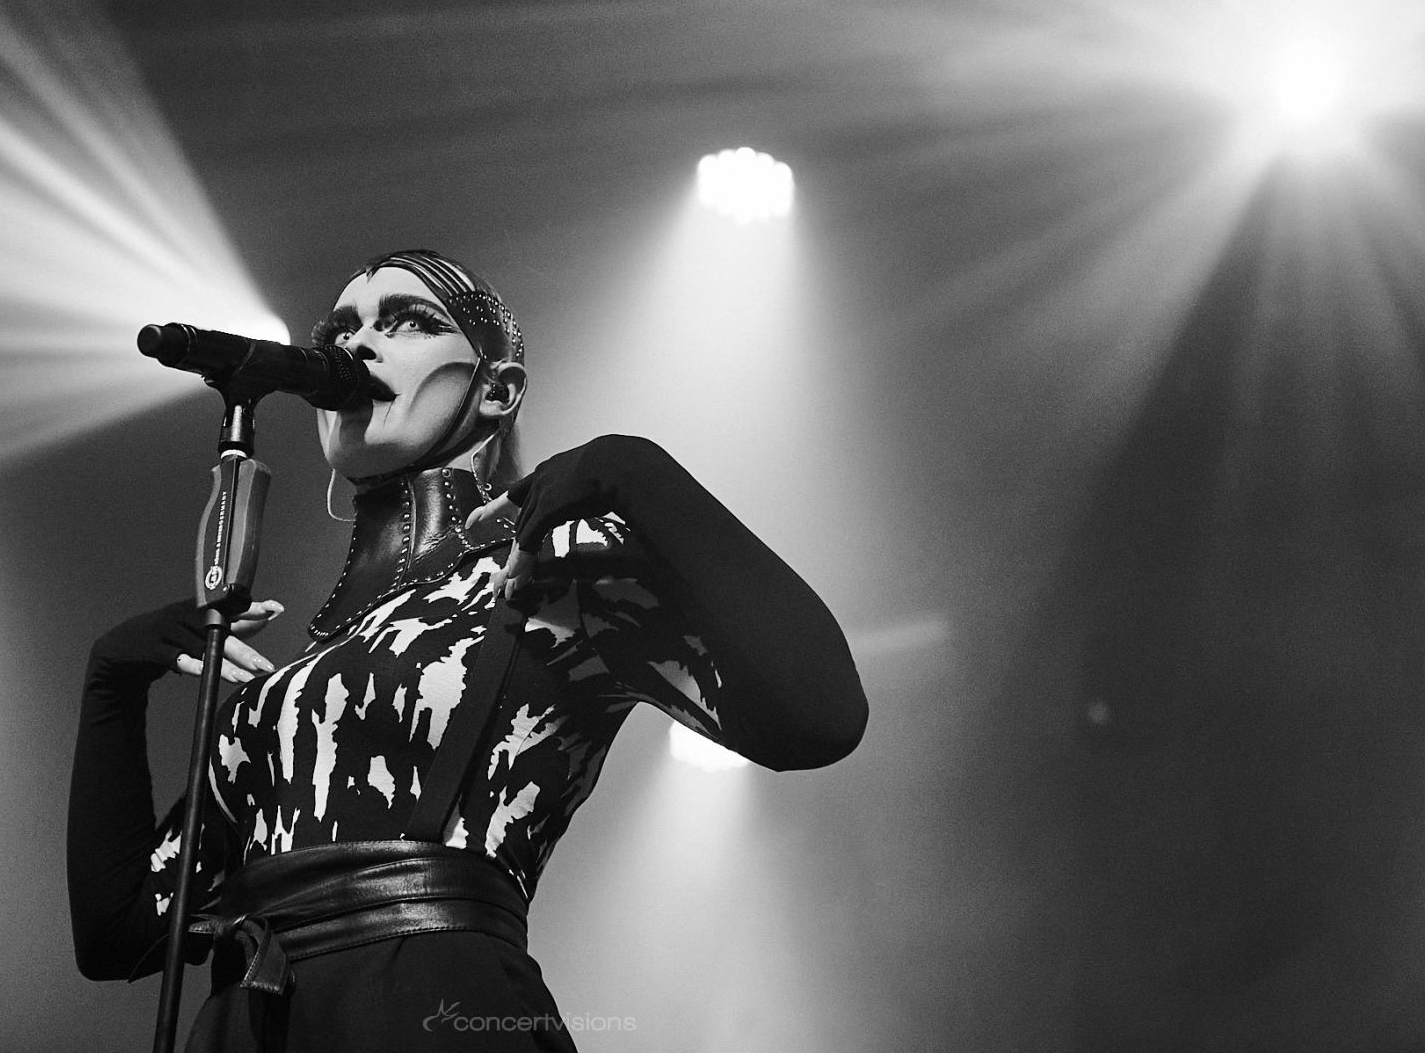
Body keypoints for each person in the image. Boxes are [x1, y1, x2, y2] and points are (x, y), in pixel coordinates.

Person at [68, 249, 868, 1051]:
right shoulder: (294, 679)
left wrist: (635, 472)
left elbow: (818, 720)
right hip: (251, 1025)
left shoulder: (552, 566)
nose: (355, 345)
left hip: (434, 1010)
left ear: (498, 389)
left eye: (407, 322)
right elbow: (120, 935)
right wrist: (112, 686)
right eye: (339, 329)